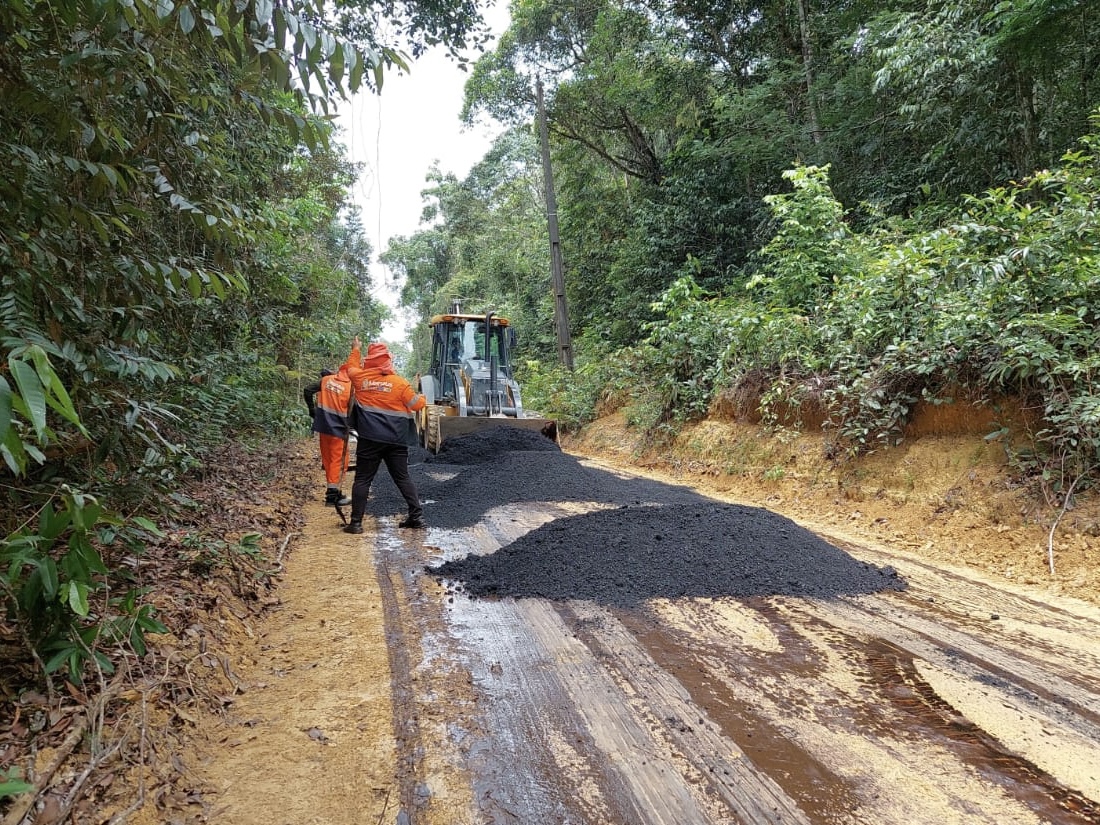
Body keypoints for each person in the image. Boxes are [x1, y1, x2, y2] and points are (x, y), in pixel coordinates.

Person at [343, 337, 427, 534]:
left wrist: (355, 349)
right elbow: (417, 405)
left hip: (369, 439)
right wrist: (423, 396)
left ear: (369, 360)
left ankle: (355, 523)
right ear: (388, 361)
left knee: (363, 479)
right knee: (402, 477)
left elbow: (351, 367)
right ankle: (416, 517)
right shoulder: (399, 384)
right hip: (396, 441)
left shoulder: (360, 379)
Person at [306, 360, 355, 507]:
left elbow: (307, 390)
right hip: (339, 429)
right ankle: (332, 497)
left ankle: (333, 491)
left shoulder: (326, 380)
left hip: (323, 427)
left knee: (328, 459)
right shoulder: (351, 387)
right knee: (339, 462)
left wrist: (312, 410)